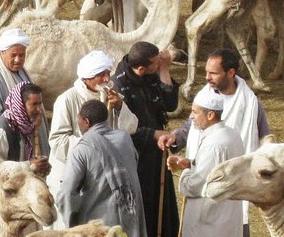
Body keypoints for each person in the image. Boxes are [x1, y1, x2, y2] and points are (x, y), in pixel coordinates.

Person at [158, 48, 270, 237]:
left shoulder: (250, 104)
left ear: (231, 73)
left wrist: (186, 173)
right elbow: (191, 125)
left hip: (229, 186)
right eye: (206, 72)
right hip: (206, 188)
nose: (207, 77)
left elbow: (264, 142)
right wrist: (175, 137)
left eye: (213, 73)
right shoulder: (206, 97)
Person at [47, 50, 139, 229]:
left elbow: (130, 129)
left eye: (107, 74)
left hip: (103, 179)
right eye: (100, 75)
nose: (106, 79)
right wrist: (93, 150)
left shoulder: (112, 94)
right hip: (73, 174)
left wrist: (119, 106)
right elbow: (58, 141)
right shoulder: (67, 100)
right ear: (87, 78)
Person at [111, 41, 180, 237]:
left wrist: (164, 68)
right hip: (137, 157)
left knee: (163, 203)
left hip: (158, 150)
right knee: (146, 204)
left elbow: (170, 103)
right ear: (142, 68)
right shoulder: (119, 87)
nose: (159, 65)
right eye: (157, 63)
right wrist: (152, 134)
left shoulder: (151, 74)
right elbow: (123, 129)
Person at [57, 100, 147, 236]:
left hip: (100, 230)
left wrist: (72, 226)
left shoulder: (82, 149)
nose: (78, 123)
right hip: (131, 223)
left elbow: (66, 193)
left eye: (79, 119)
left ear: (86, 122)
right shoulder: (125, 139)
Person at [167, 89, 244, 237]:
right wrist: (190, 164)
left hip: (210, 222)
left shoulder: (214, 144)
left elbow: (197, 184)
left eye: (195, 113)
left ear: (210, 115)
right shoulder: (232, 135)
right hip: (226, 217)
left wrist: (185, 174)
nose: (191, 117)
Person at [0, 27, 49, 151]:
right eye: (13, 55)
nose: (18, 60)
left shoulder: (23, 73)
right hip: (8, 151)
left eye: (22, 55)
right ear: (2, 53)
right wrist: (21, 119)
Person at [0, 82, 51, 176]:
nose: (39, 109)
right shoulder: (2, 132)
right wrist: (29, 166)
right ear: (20, 104)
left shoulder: (27, 126)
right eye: (34, 104)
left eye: (40, 104)